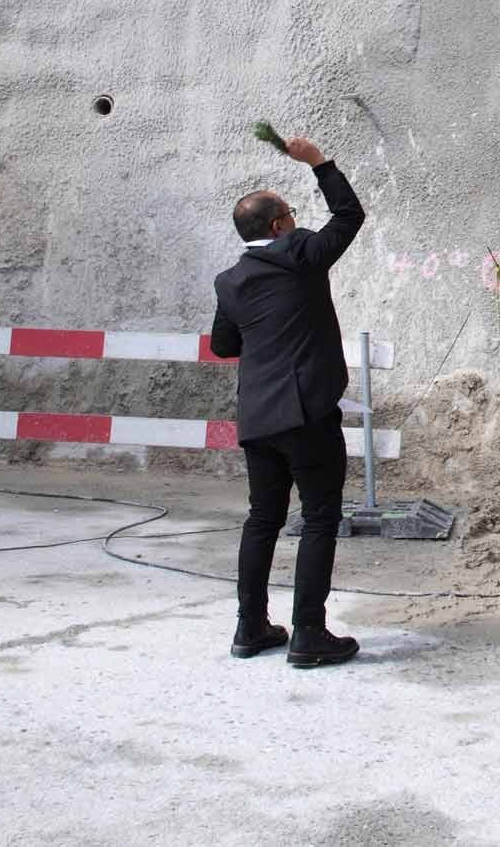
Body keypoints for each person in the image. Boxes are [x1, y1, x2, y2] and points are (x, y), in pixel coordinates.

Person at [209, 135, 365, 667]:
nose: (296, 222)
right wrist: (319, 162)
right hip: (308, 415)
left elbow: (224, 345)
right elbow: (348, 215)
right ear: (278, 226)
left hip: (257, 417)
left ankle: (250, 628)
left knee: (262, 520)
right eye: (292, 215)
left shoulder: (229, 282)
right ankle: (308, 634)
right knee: (320, 518)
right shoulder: (299, 255)